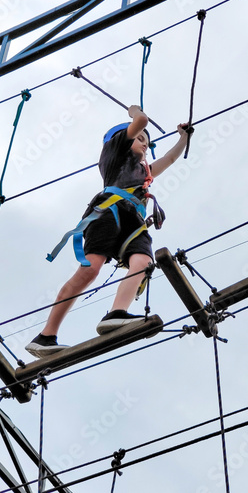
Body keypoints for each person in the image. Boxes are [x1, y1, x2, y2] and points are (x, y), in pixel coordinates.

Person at [25, 105, 193, 358]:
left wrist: (184, 138)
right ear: (121, 138)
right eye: (139, 138)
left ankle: (116, 314)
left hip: (133, 221)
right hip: (108, 212)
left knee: (144, 261)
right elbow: (141, 120)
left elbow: (168, 160)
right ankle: (45, 336)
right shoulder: (116, 151)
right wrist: (135, 111)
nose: (144, 144)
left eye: (147, 142)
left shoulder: (144, 171)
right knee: (90, 269)